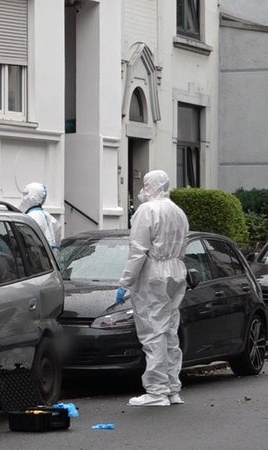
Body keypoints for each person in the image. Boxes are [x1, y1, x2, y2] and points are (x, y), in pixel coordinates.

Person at [117, 169, 189, 407]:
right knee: (169, 330)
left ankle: (156, 392)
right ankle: (172, 388)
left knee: (153, 332)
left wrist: (126, 282)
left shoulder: (147, 211)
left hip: (154, 272)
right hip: (176, 270)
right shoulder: (178, 212)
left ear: (151, 186)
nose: (142, 189)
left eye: (145, 184)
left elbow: (138, 250)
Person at [19, 182, 61, 255]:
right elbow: (58, 238)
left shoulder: (29, 219)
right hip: (52, 258)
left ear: (31, 196)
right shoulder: (50, 217)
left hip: (37, 258)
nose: (23, 198)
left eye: (25, 194)